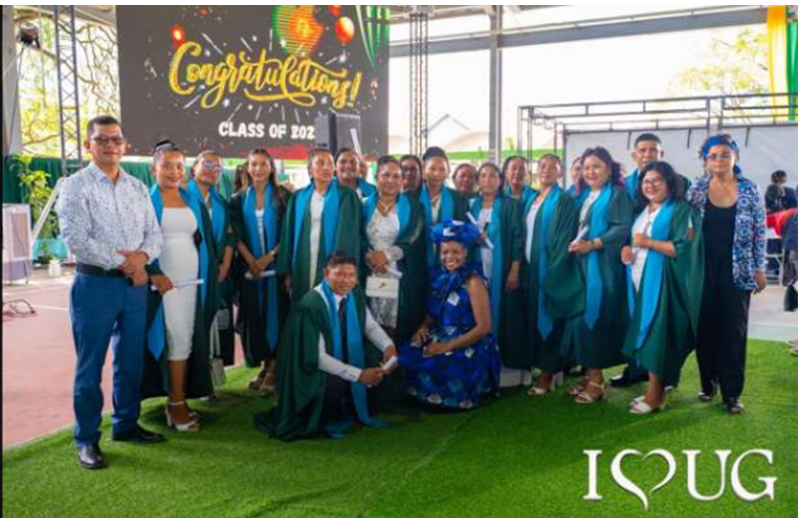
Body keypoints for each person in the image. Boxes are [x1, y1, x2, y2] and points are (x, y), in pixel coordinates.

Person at [57, 115, 166, 470]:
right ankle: (86, 439)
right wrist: (128, 265)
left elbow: (155, 234)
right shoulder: (75, 186)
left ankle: (126, 424)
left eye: (115, 139)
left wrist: (143, 259)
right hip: (95, 287)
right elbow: (75, 239)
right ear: (89, 145)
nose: (109, 145)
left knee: (130, 361)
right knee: (90, 366)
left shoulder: (137, 187)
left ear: (124, 145)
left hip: (133, 290)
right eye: (101, 140)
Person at [255, 252, 399, 441]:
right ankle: (329, 413)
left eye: (350, 275)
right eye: (339, 274)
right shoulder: (312, 305)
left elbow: (369, 325)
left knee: (377, 361)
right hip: (308, 369)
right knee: (336, 383)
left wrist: (388, 346)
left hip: (336, 356)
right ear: (326, 273)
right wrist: (359, 375)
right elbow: (318, 358)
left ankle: (352, 407)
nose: (346, 280)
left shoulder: (354, 292)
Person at [686, 134, 768, 415]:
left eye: (724, 154)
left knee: (734, 331)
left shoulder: (750, 190)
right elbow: (685, 226)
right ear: (705, 160)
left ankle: (732, 394)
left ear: (735, 157)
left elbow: (760, 231)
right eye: (713, 156)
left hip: (739, 270)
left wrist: (759, 268)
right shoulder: (696, 189)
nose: (718, 160)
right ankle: (708, 384)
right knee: (705, 328)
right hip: (702, 270)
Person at [143, 141, 219, 432]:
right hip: (164, 285)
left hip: (193, 283)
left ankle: (179, 399)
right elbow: (139, 241)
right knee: (173, 338)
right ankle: (174, 404)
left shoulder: (191, 199)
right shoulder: (147, 201)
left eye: (179, 166)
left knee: (186, 337)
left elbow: (204, 240)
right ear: (154, 169)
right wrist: (154, 272)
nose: (175, 172)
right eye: (167, 166)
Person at [621, 162, 704, 415]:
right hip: (639, 283)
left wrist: (649, 242)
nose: (651, 185)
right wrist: (627, 250)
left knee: (657, 338)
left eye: (657, 180)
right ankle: (655, 389)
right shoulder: (642, 211)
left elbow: (683, 248)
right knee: (647, 335)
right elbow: (634, 243)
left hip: (665, 284)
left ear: (670, 183)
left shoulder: (682, 211)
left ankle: (655, 395)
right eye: (646, 180)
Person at [399, 220, 501, 410]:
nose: (449, 257)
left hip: (470, 341)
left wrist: (447, 345)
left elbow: (484, 328)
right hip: (441, 333)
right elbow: (433, 314)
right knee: (411, 350)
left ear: (466, 253)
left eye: (456, 252)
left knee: (445, 362)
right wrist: (423, 327)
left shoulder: (474, 281)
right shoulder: (440, 277)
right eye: (445, 252)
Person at [562, 147, 635, 404]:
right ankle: (588, 374)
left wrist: (592, 244)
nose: (590, 172)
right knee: (579, 321)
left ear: (609, 169)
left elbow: (622, 228)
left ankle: (597, 380)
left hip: (603, 268)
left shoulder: (617, 195)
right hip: (581, 266)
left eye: (596, 166)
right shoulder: (583, 196)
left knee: (594, 319)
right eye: (586, 167)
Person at [230, 148, 291, 396]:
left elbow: (289, 232)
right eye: (253, 164)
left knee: (277, 316)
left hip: (276, 267)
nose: (258, 169)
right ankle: (266, 365)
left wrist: (269, 257)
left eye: (263, 164)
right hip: (250, 270)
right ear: (247, 167)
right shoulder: (237, 198)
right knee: (257, 317)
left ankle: (275, 368)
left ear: (271, 168)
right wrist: (251, 261)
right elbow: (235, 233)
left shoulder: (283, 196)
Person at [522, 154, 584, 397]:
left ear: (560, 173)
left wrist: (554, 271)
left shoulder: (564, 200)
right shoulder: (532, 199)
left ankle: (549, 372)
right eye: (542, 166)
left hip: (549, 269)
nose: (545, 170)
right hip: (530, 269)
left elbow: (564, 238)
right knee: (533, 318)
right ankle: (542, 367)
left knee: (550, 319)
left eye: (552, 167)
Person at [276, 148, 363, 307]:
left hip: (331, 262)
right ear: (310, 170)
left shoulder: (346, 196)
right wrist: (289, 270)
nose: (326, 167)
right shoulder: (298, 197)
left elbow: (349, 237)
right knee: (303, 304)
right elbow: (288, 235)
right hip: (303, 261)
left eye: (330, 163)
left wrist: (341, 271)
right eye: (320, 163)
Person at [470, 162, 526, 387]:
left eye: (492, 175)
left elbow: (517, 237)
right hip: (477, 264)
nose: (487, 180)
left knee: (503, 312)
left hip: (501, 266)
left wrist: (514, 269)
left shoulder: (510, 205)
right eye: (483, 176)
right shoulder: (471, 205)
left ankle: (503, 367)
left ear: (500, 180)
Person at [362, 156, 427, 344]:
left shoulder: (414, 206)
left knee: (397, 324)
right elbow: (357, 236)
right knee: (372, 323)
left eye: (396, 176)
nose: (391, 180)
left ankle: (396, 366)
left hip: (399, 272)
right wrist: (371, 257)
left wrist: (387, 256)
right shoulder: (363, 205)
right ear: (376, 177)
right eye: (386, 175)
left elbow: (414, 236)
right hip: (371, 271)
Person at [187, 151, 237, 395]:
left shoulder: (221, 203)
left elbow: (230, 235)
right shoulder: (181, 197)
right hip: (187, 274)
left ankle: (206, 382)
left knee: (213, 326)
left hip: (216, 275)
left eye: (218, 167)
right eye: (207, 164)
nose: (212, 170)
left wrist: (226, 264)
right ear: (194, 167)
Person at [419, 147, 468, 271]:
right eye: (432, 168)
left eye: (442, 169)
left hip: (449, 259)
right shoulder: (412, 196)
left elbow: (462, 227)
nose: (437, 174)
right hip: (418, 258)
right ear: (424, 170)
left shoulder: (457, 198)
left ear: (448, 172)